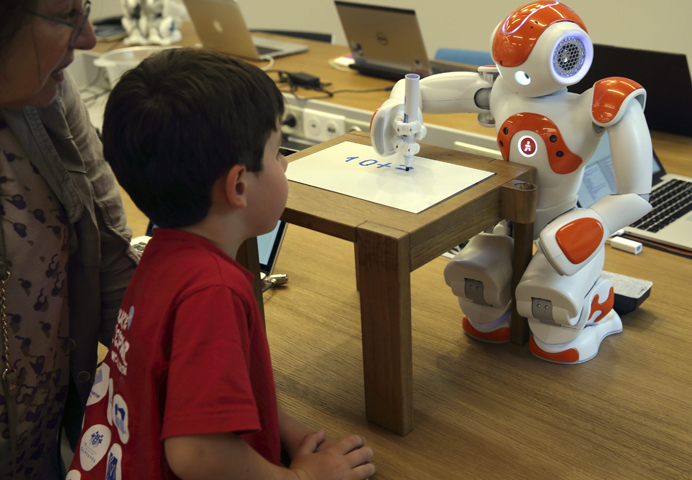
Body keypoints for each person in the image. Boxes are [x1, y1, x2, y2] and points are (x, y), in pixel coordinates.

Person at [66, 47, 376, 480]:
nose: (284, 163)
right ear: (238, 184)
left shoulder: (160, 252)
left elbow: (186, 387)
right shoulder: (214, 291)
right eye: (277, 151)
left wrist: (281, 426)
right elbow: (199, 455)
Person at [0, 1, 138, 478]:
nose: (88, 39)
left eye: (86, 8)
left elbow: (113, 266)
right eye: (64, 14)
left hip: (43, 447)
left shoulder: (48, 92)